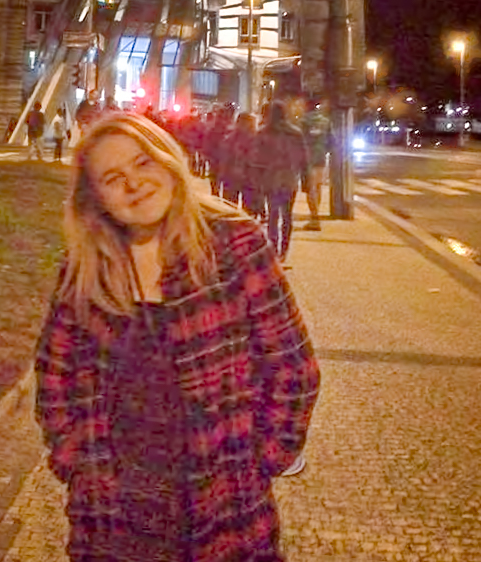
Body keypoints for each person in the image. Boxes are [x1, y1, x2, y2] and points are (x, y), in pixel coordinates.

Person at [36, 112, 320, 562]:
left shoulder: (234, 243)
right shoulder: (88, 266)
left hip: (222, 504)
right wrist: (74, 461)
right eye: (112, 177)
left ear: (168, 160)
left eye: (143, 163)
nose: (134, 183)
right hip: (113, 515)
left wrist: (262, 459)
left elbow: (292, 367)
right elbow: (56, 373)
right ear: (96, 198)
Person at [255, 101, 309, 263]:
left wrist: (256, 179)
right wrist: (306, 180)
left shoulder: (263, 132)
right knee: (287, 215)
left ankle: (273, 248)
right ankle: (284, 250)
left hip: (271, 179)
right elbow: (303, 158)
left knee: (273, 214)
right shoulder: (296, 133)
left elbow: (256, 158)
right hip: (289, 178)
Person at [300, 99, 331, 231]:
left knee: (310, 188)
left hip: (307, 159)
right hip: (321, 158)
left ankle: (314, 217)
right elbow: (331, 140)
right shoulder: (325, 122)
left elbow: (299, 140)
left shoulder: (303, 122)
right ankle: (315, 215)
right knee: (317, 187)